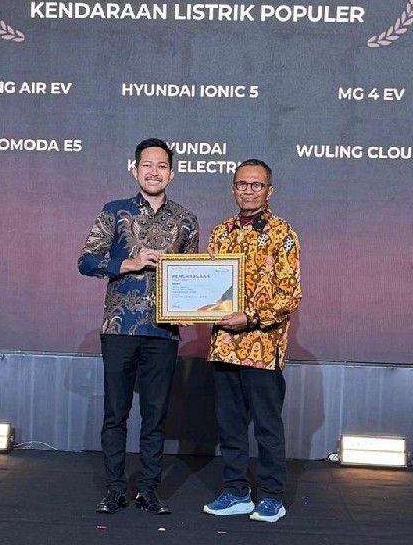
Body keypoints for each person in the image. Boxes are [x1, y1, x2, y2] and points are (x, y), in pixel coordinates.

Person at [79, 138, 199, 515]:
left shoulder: (186, 219)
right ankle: (115, 489)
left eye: (161, 166)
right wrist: (126, 264)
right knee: (115, 414)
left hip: (163, 332)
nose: (154, 172)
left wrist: (192, 308)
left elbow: (192, 276)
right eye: (147, 165)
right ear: (135, 170)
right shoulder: (114, 212)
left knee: (155, 415)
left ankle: (148, 489)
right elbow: (86, 261)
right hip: (119, 329)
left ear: (171, 174)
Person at [202, 159, 301, 523]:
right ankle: (236, 492)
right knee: (229, 427)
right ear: (233, 188)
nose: (248, 191)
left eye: (256, 185)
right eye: (242, 184)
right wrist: (190, 306)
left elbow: (290, 296)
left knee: (267, 428)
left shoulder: (282, 233)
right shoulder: (220, 232)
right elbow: (208, 286)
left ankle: (272, 496)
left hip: (263, 347)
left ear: (268, 191)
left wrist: (251, 317)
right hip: (224, 347)